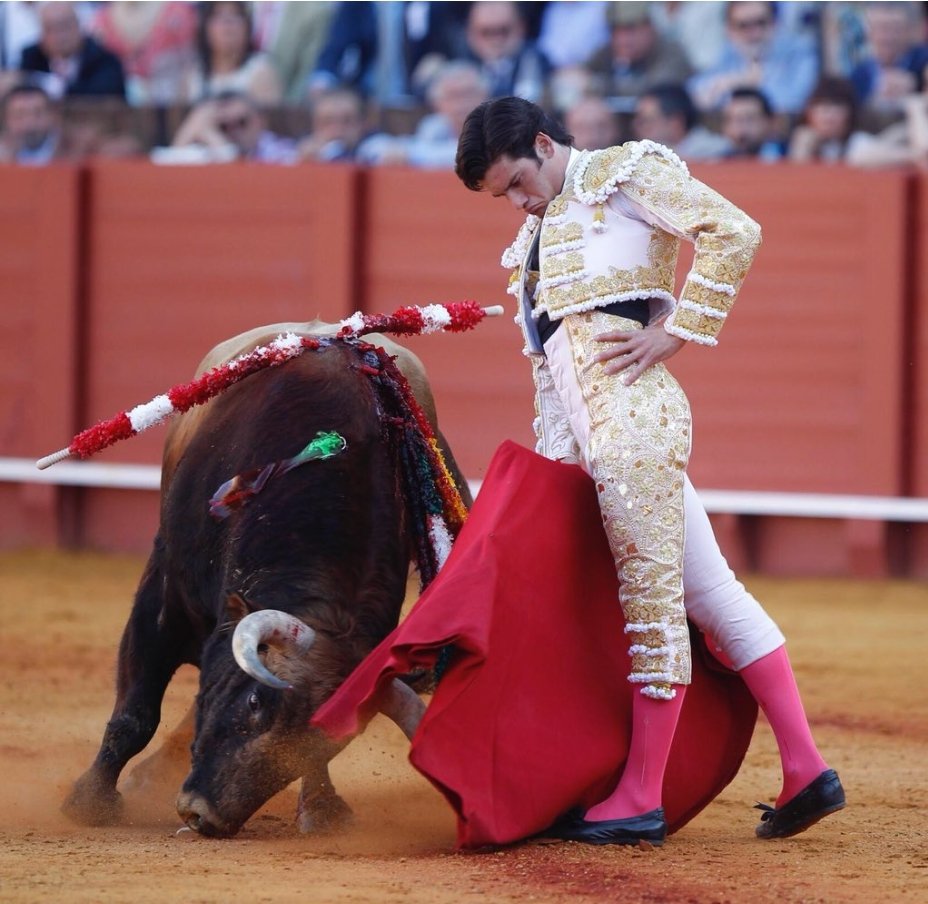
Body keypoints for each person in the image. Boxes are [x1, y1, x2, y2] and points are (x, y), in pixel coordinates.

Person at [453, 96, 845, 846]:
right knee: (709, 592)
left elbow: (735, 231)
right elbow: (557, 372)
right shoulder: (542, 228)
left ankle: (639, 793)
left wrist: (678, 332)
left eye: (517, 183)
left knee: (650, 601)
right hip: (601, 440)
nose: (517, 203)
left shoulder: (622, 175)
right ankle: (806, 767)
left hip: (634, 426)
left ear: (544, 142)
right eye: (502, 196)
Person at [688, 1, 818, 116]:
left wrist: (751, 85)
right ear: (729, 31)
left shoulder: (799, 52)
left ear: (775, 24)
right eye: (743, 26)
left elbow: (795, 102)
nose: (754, 33)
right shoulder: (729, 54)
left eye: (760, 23)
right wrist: (733, 84)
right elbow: (693, 92)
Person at [585, 1, 693, 111]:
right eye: (616, 31)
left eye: (630, 30)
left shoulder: (672, 53)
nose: (623, 40)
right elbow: (580, 72)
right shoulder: (609, 50)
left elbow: (655, 89)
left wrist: (594, 85)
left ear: (651, 27)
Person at [89, 1, 197, 106]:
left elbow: (191, 68)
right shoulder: (100, 19)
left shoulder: (178, 13)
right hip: (115, 114)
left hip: (173, 108)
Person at [19, 1, 126, 100]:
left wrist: (58, 87)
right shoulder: (31, 58)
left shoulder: (105, 60)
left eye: (65, 27)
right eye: (51, 29)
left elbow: (101, 96)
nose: (59, 36)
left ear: (79, 26)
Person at [160, 89, 296, 164]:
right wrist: (196, 125)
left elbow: (237, 175)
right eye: (224, 126)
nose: (234, 132)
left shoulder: (278, 150)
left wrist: (212, 137)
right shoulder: (209, 151)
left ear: (260, 121)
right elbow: (172, 164)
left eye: (242, 122)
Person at [185, 1, 282, 106]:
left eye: (236, 14)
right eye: (218, 14)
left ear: (248, 27)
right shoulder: (191, 77)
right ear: (205, 28)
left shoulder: (261, 73)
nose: (227, 23)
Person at [632, 82, 730, 161]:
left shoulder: (718, 153)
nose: (636, 126)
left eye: (645, 121)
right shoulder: (639, 156)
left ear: (676, 122)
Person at [788, 76, 870, 164]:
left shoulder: (860, 144)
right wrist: (802, 150)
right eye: (822, 106)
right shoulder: (800, 140)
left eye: (836, 106)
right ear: (809, 112)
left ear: (850, 113)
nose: (829, 115)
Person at [0, 81, 66, 163]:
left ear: (52, 116)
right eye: (19, 116)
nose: (29, 123)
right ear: (5, 120)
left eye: (38, 114)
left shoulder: (70, 154)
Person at [720, 85, 785, 160]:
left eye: (749, 120)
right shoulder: (720, 161)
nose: (741, 131)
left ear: (771, 122)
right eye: (733, 120)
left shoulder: (790, 158)